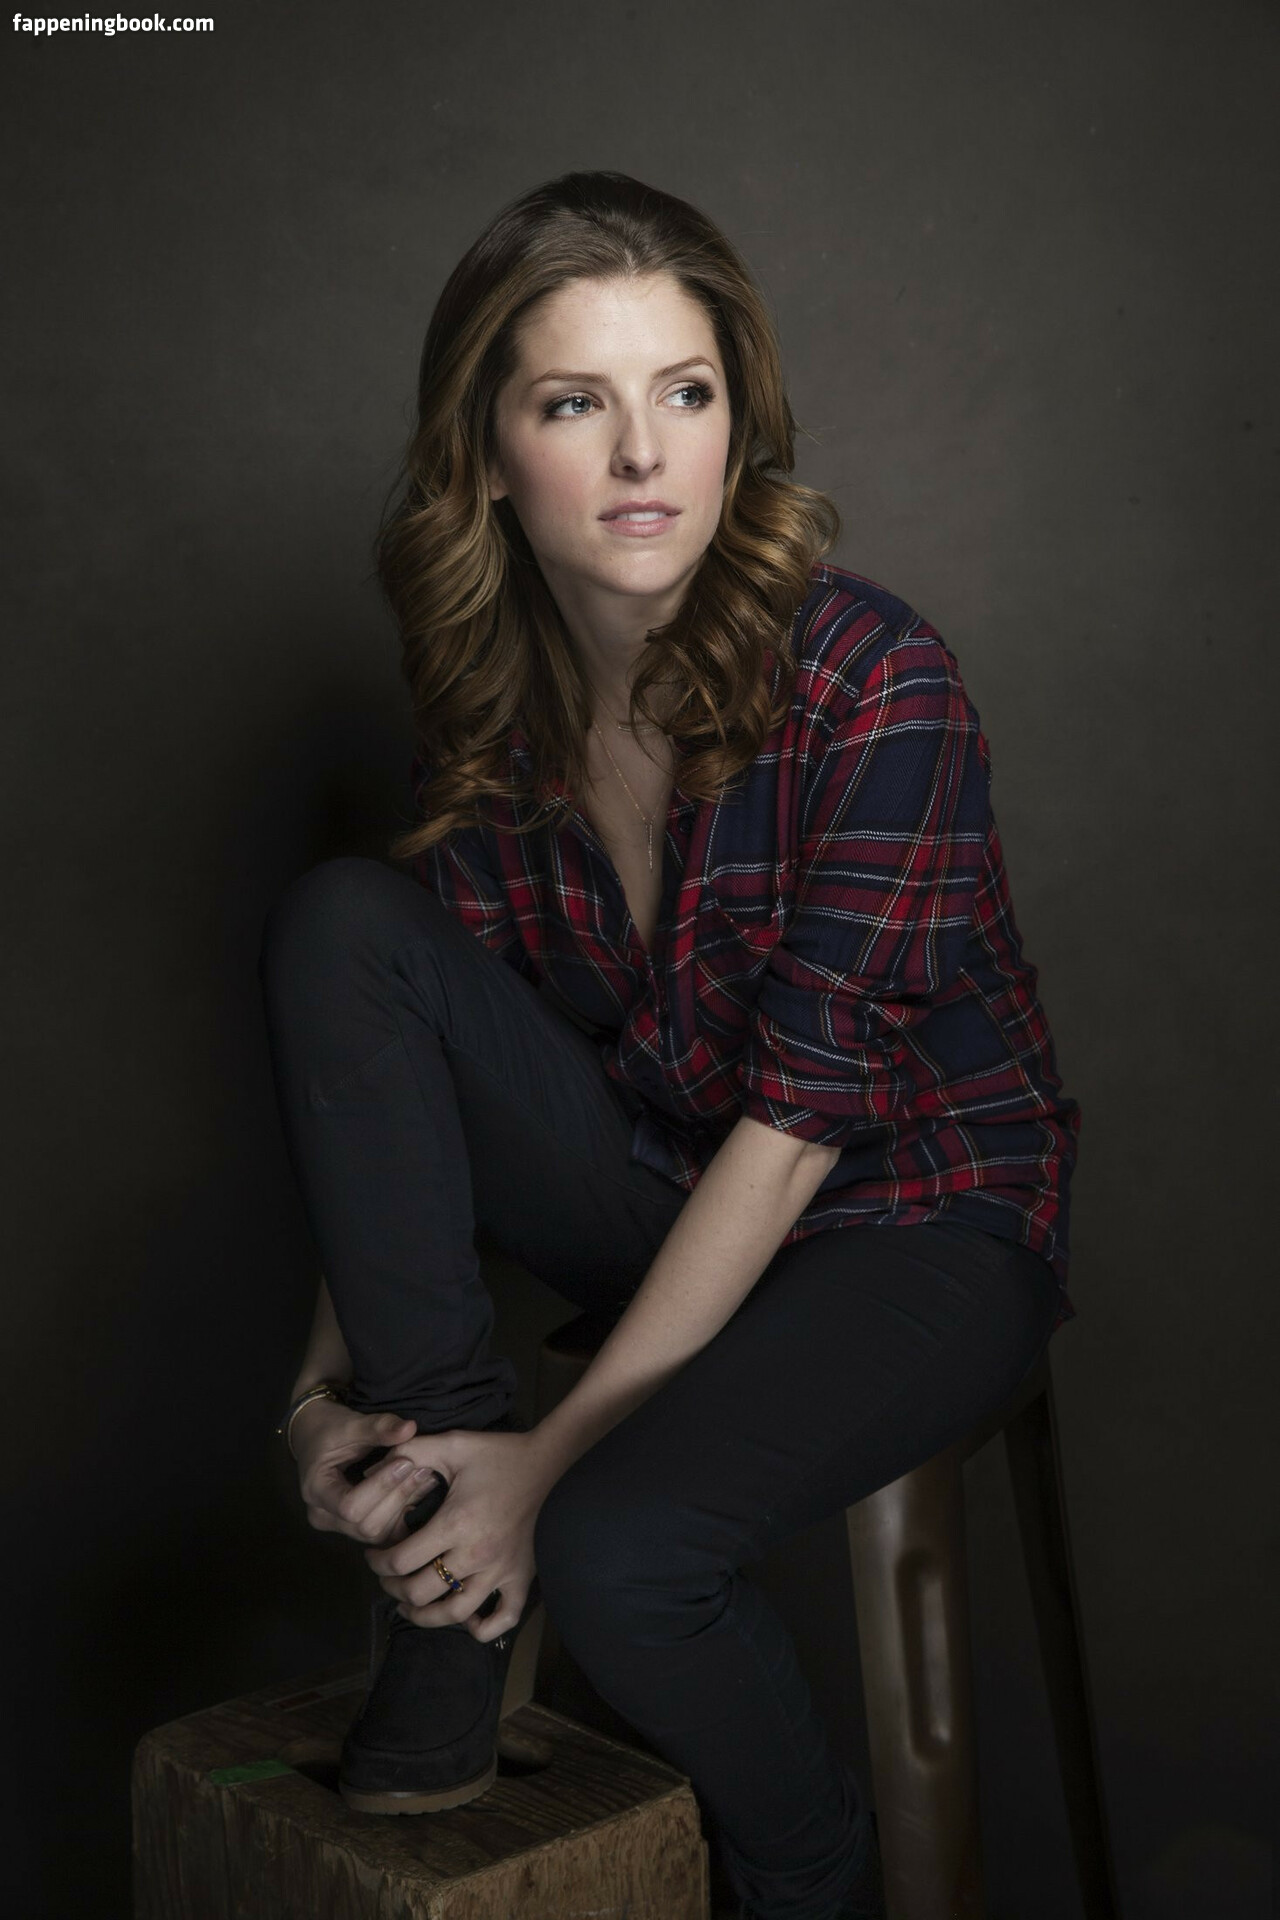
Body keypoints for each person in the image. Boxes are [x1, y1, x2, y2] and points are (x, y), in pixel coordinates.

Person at [258, 170, 1081, 1920]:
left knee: (623, 1554)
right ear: (488, 457)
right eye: (576, 403)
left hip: (915, 1221)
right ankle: (444, 1588)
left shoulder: (875, 682)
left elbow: (793, 1138)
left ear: (735, 422)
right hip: (668, 1184)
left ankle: (812, 1881)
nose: (644, 455)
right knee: (344, 923)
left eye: (685, 394)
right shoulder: (496, 718)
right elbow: (415, 1105)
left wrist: (540, 1479)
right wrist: (321, 1404)